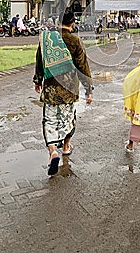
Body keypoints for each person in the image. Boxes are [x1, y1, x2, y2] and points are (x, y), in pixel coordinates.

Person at [33, 11, 93, 176]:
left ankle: (52, 151)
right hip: (68, 89)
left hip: (51, 88)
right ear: (73, 23)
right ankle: (66, 147)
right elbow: (82, 66)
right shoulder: (75, 41)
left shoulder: (47, 40)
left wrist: (38, 80)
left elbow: (40, 60)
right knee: (68, 119)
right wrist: (88, 89)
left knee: (50, 121)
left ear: (58, 23)